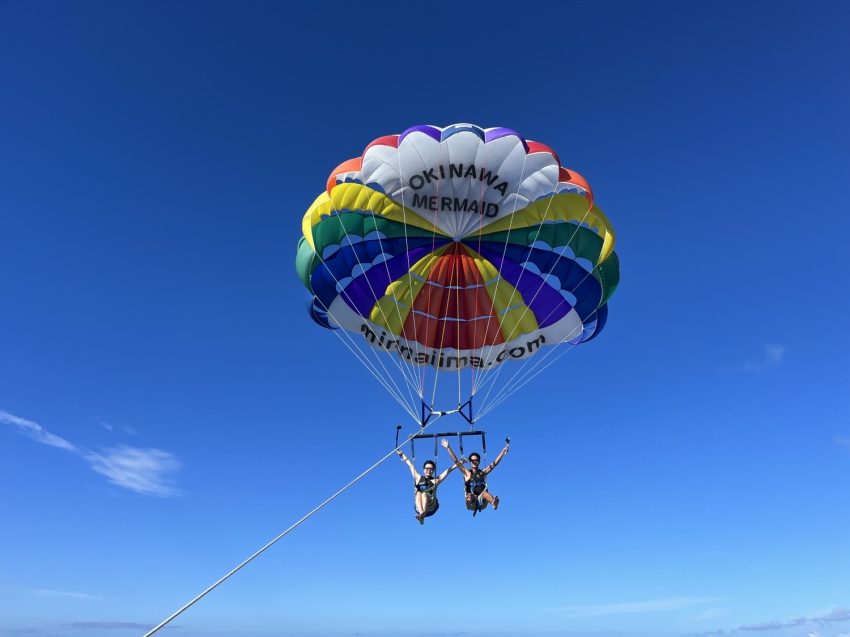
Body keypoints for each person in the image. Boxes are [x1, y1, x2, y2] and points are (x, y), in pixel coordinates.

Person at [440, 438, 509, 514]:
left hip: (482, 500)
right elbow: (456, 461)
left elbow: (494, 463)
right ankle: (468, 505)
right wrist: (448, 447)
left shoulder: (482, 473)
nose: (474, 462)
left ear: (479, 462)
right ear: (470, 462)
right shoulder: (467, 473)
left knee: (485, 494)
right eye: (472, 460)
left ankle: (493, 503)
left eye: (476, 460)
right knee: (469, 496)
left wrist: (502, 452)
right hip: (471, 501)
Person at [397, 449, 456, 525]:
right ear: (424, 470)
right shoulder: (418, 478)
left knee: (424, 494)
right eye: (427, 469)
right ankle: (422, 516)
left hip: (431, 507)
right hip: (419, 507)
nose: (429, 470)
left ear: (433, 471)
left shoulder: (435, 481)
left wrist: (459, 463)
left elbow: (448, 471)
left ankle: (423, 515)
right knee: (418, 493)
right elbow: (410, 465)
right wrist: (402, 454)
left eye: (431, 469)